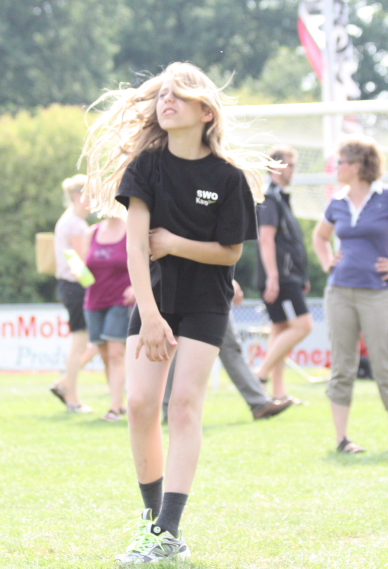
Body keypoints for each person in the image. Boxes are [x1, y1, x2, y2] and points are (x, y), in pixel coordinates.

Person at [82, 61, 272, 563]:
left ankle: (168, 530)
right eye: (162, 94)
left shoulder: (228, 177)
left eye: (179, 95)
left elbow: (230, 254)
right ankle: (153, 522)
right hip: (155, 301)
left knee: (184, 406)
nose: (166, 101)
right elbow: (135, 247)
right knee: (140, 404)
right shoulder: (145, 167)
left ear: (205, 111)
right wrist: (149, 314)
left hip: (206, 304)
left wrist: (174, 243)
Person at [313, 136, 388, 454]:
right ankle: (342, 439)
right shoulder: (337, 201)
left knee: (384, 366)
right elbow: (320, 237)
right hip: (339, 292)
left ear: (357, 165)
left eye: (340, 162)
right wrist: (328, 261)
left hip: (378, 294)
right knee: (342, 366)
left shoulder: (385, 197)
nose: (336, 167)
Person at [163, 280, 292, 421]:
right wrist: (229, 281)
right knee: (179, 347)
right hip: (202, 288)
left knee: (182, 347)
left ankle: (259, 403)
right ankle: (259, 402)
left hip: (206, 289)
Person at [255, 145, 313, 402]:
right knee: (303, 326)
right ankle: (260, 374)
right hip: (281, 278)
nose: (293, 170)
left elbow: (290, 243)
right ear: (276, 168)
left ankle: (279, 394)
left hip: (290, 277)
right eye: (289, 165)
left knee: (280, 331)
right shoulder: (269, 198)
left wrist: (302, 276)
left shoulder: (281, 198)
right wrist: (274, 277)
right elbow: (266, 239)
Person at [83, 215, 135, 421]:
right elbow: (84, 265)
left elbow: (145, 260)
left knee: (115, 353)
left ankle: (114, 408)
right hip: (94, 301)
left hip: (121, 300)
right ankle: (118, 403)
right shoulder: (92, 232)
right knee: (105, 355)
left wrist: (136, 287)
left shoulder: (131, 230)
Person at [51, 175, 93, 413]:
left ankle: (66, 386)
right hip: (76, 287)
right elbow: (85, 261)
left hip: (71, 286)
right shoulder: (75, 224)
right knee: (80, 343)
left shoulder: (71, 221)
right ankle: (72, 397)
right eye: (90, 194)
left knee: (84, 343)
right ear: (78, 196)